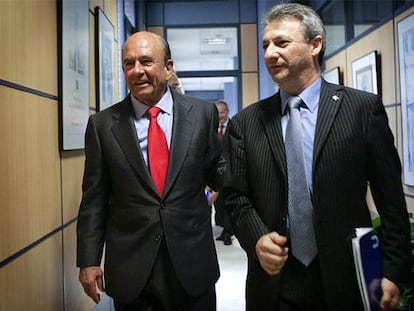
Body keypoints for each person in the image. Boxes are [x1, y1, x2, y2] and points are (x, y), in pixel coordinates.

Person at [222, 3, 411, 311]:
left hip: (347, 277)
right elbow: (236, 197)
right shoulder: (245, 124)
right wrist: (257, 240)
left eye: (281, 43)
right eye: (266, 45)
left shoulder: (361, 110)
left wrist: (393, 271)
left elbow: (389, 197)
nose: (270, 53)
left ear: (315, 44)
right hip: (275, 281)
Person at [76, 31, 226, 311]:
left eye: (146, 61)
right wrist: (89, 259)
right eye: (129, 63)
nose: (137, 71)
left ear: (168, 68)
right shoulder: (103, 125)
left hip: (192, 262)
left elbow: (216, 171)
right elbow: (94, 199)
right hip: (132, 267)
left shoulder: (202, 114)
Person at [210, 100, 233, 246]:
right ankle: (222, 229)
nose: (220, 116)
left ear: (228, 112)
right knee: (217, 204)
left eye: (222, 112)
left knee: (228, 203)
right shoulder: (211, 129)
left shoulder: (235, 126)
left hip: (231, 173)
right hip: (214, 175)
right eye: (217, 113)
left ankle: (228, 232)